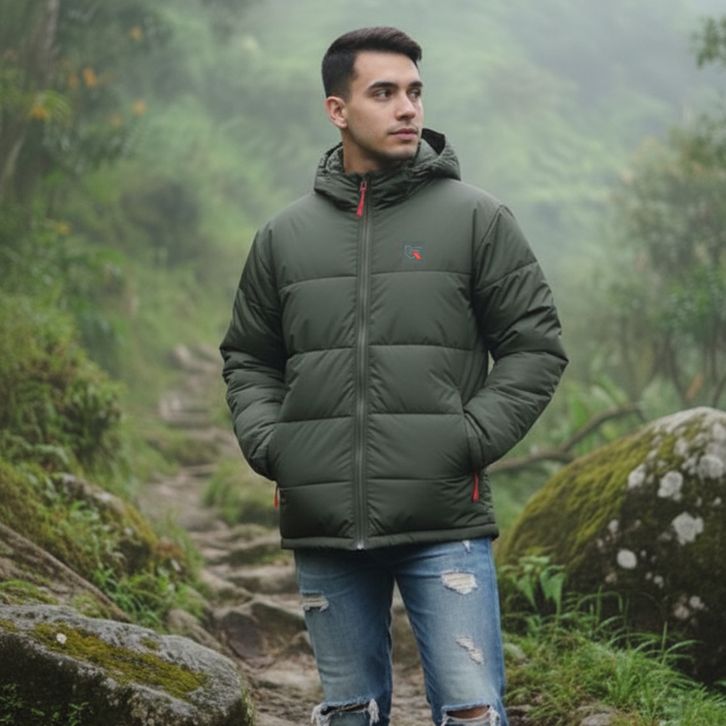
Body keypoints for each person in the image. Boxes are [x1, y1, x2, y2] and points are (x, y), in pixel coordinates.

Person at [220, 26, 567, 726]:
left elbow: (535, 347)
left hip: (445, 520)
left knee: (471, 712)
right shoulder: (284, 237)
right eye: (383, 92)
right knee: (350, 713)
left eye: (414, 91)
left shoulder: (477, 220)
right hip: (323, 523)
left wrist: (466, 440)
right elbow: (250, 357)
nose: (407, 107)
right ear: (337, 110)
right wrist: (275, 446)